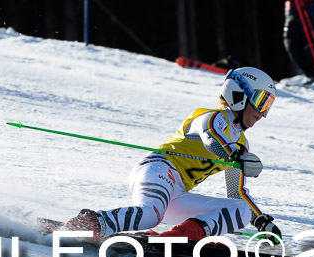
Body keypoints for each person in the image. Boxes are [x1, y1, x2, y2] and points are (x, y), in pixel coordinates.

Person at [64, 67, 282, 243]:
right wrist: (235, 155)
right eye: (262, 101)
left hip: (176, 194)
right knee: (150, 215)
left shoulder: (241, 144)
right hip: (158, 170)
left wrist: (262, 221)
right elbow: (211, 138)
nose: (263, 113)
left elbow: (236, 192)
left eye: (268, 106)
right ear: (239, 94)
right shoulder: (211, 117)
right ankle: (88, 224)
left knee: (240, 210)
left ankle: (183, 237)